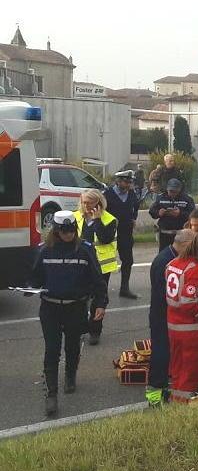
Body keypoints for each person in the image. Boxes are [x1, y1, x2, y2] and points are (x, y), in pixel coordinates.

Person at [28, 211, 107, 416]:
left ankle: (70, 376)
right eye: (64, 232)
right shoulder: (44, 251)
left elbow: (98, 280)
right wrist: (29, 288)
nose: (68, 235)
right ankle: (51, 394)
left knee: (72, 346)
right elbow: (35, 278)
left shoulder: (85, 250)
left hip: (75, 307)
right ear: (55, 231)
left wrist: (100, 303)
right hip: (50, 308)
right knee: (52, 349)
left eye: (72, 231)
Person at [165, 231, 198, 404]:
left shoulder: (172, 264)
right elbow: (189, 304)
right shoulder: (194, 270)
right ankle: (183, 405)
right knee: (190, 370)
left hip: (174, 325)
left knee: (177, 367)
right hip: (191, 330)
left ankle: (175, 400)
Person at [146, 228, 194, 407]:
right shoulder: (165, 262)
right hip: (162, 315)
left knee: (167, 354)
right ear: (185, 245)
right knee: (161, 353)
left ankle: (163, 388)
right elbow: (164, 294)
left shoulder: (171, 257)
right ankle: (154, 394)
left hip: (166, 313)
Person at [73, 189, 117, 345]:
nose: (85, 205)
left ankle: (95, 331)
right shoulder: (76, 217)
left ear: (98, 203)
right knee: (80, 297)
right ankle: (81, 328)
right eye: (83, 202)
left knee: (99, 300)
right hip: (81, 265)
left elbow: (105, 239)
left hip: (101, 267)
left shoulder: (109, 220)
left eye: (89, 202)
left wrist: (97, 220)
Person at [103, 170, 140, 299]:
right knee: (107, 262)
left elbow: (136, 205)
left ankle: (124, 289)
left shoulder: (131, 194)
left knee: (128, 260)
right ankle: (102, 290)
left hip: (126, 232)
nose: (129, 184)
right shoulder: (107, 195)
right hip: (110, 233)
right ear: (118, 181)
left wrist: (133, 217)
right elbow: (101, 212)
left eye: (130, 182)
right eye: (126, 181)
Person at [149, 178, 195, 251]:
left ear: (179, 190)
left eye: (175, 192)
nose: (173, 193)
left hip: (181, 233)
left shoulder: (187, 199)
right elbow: (152, 211)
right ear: (167, 189)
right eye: (171, 191)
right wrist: (159, 213)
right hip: (165, 233)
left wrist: (180, 213)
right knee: (165, 255)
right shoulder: (161, 198)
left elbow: (193, 214)